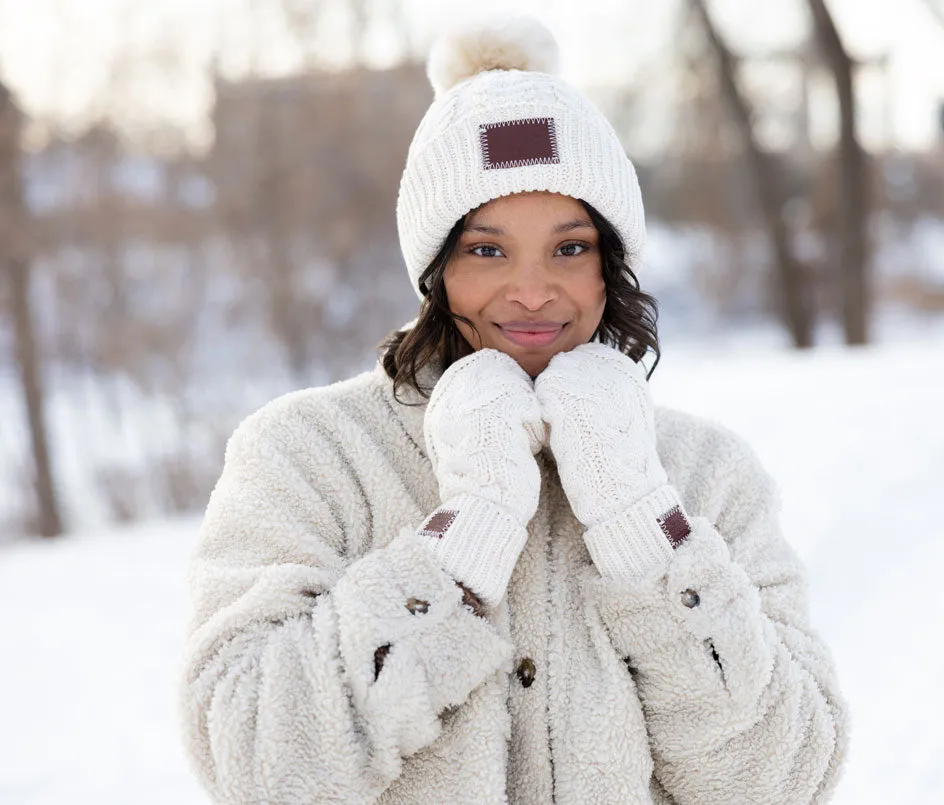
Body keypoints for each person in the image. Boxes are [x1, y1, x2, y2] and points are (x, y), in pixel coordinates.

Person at [179, 15, 848, 804]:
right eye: (487, 249)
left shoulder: (708, 475)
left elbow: (785, 780)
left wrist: (642, 524)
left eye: (569, 247)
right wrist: (458, 545)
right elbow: (256, 766)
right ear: (435, 269)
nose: (532, 291)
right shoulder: (308, 455)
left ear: (612, 265)